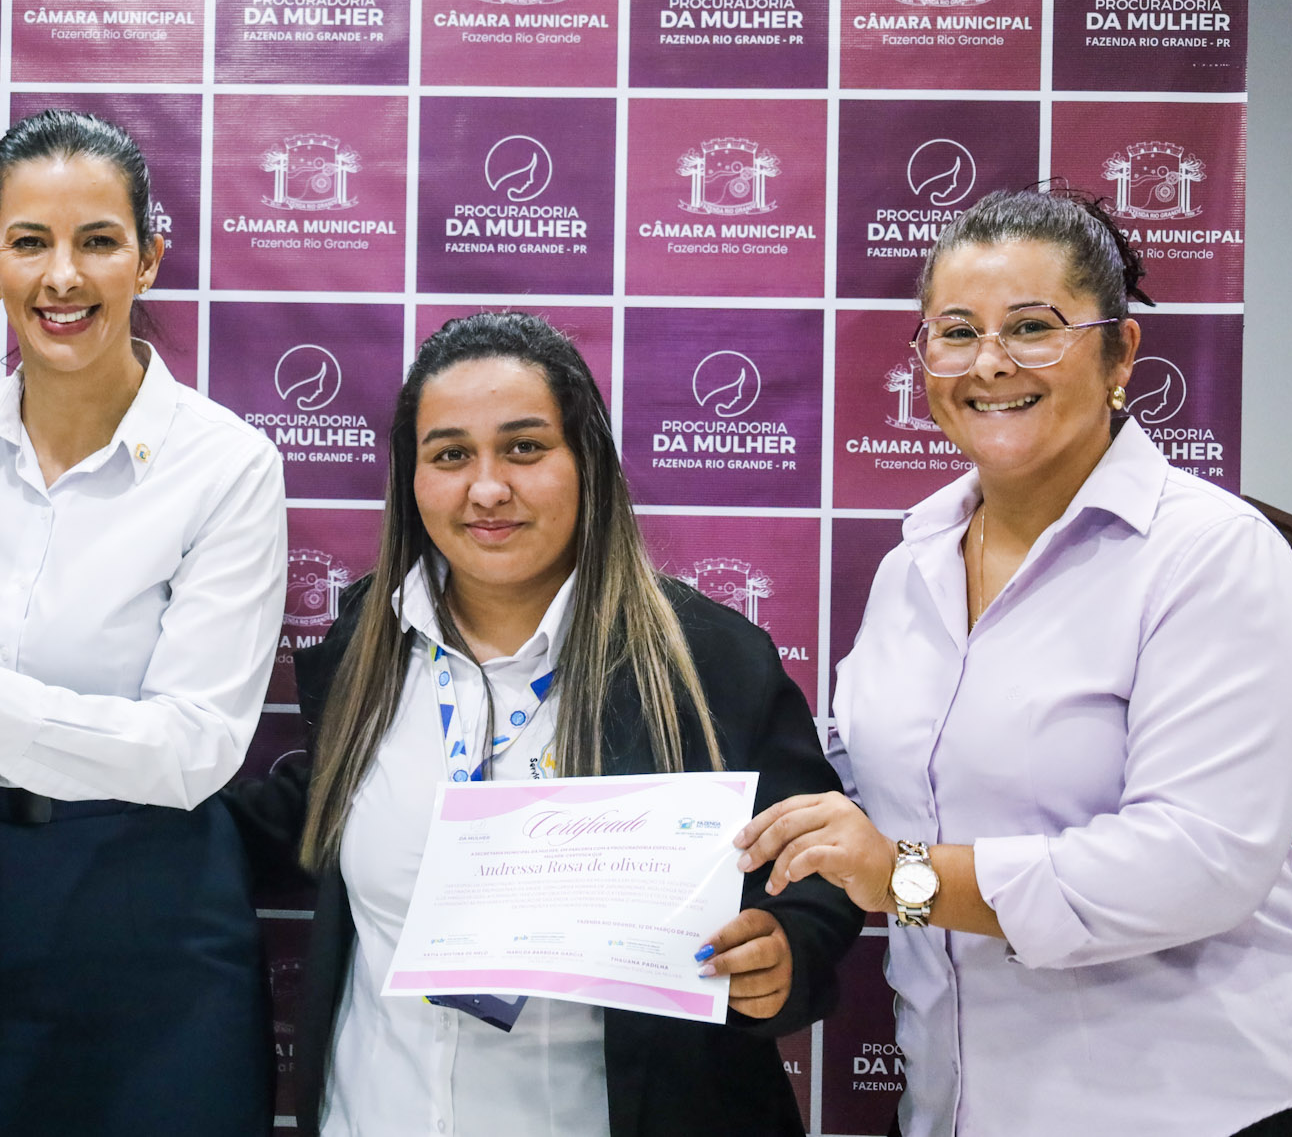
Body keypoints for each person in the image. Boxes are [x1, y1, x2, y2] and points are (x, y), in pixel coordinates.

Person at [737, 188, 1292, 1137]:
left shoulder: (1212, 556)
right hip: (952, 1108)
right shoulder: (912, 567)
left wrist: (904, 878)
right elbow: (860, 772)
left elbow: (1195, 860)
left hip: (1196, 1107)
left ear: (1121, 354)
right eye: (956, 332)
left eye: (1032, 327)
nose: (989, 363)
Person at [225, 311, 863, 1137]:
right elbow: (323, 808)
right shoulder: (368, 640)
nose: (487, 488)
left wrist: (784, 951)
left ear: (586, 461)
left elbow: (811, 872)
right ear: (411, 478)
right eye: (450, 454)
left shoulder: (708, 661)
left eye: (524, 448)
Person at [0, 108, 287, 1137]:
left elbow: (196, 744)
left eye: (98, 241)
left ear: (149, 259)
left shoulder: (227, 465)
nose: (63, 277)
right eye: (29, 243)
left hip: (159, 903)